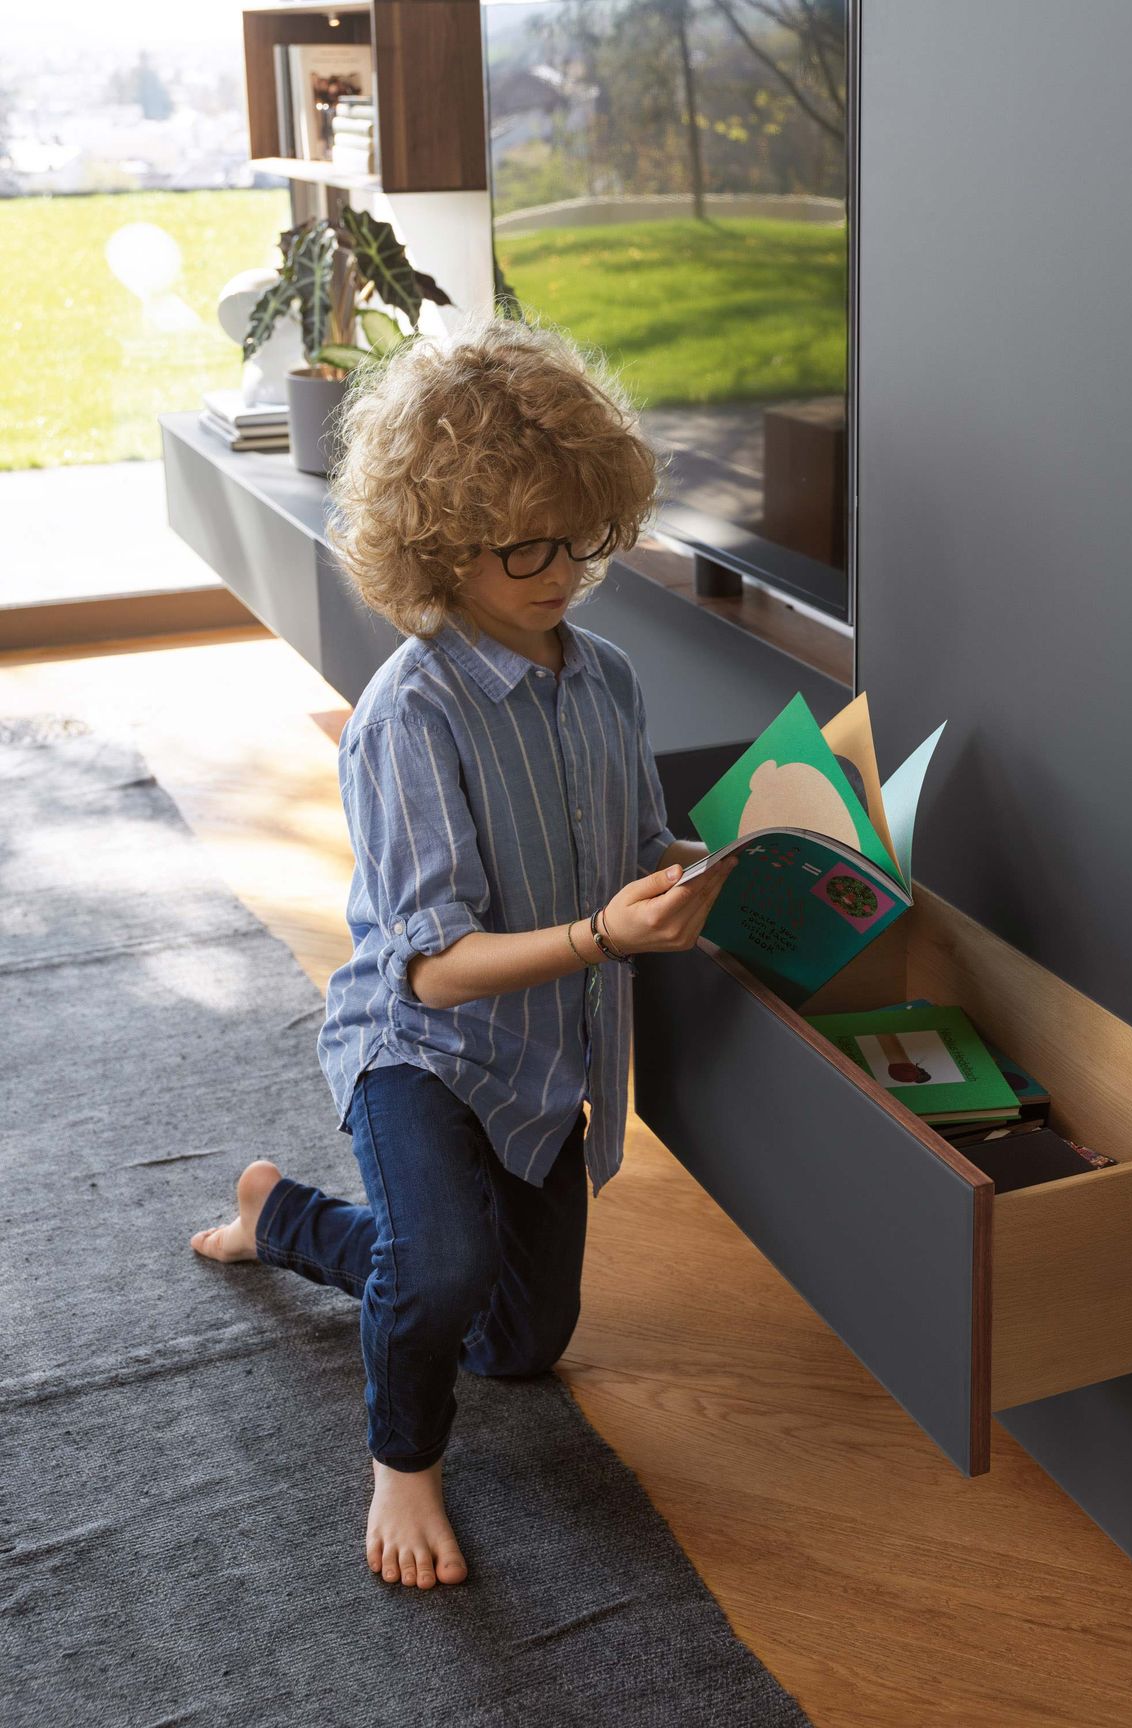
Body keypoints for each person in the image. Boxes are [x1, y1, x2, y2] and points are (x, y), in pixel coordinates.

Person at [189, 316, 737, 1591]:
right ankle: (401, 1460)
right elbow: (430, 968)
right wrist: (606, 934)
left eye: (583, 537)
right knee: (437, 1275)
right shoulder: (408, 717)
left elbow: (636, 835)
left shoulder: (603, 679)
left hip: (544, 1063)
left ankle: (285, 1219)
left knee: (519, 1345)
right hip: (422, 1049)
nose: (559, 572)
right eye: (522, 548)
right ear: (437, 549)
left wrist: (702, 863)